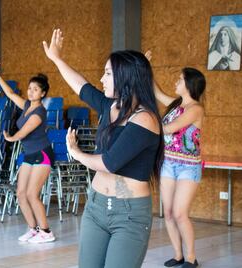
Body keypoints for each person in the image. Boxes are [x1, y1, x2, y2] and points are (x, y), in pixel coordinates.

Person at [43, 29, 164, 267]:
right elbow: (82, 86)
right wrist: (57, 59)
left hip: (129, 215)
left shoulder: (145, 119)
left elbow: (110, 162)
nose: (102, 78)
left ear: (125, 77)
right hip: (96, 207)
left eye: (108, 73)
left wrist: (76, 153)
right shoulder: (110, 106)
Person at [146, 51, 206, 268]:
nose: (176, 81)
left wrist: (147, 124)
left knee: (181, 213)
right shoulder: (176, 104)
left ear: (189, 84)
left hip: (188, 168)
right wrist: (147, 66)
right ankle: (178, 255)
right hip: (168, 163)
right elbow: (155, 90)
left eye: (180, 79)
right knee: (169, 213)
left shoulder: (195, 109)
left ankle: (191, 258)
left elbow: (171, 128)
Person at [0, 60, 56, 244]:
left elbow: (25, 130)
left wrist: (11, 138)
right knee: (21, 193)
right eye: (30, 88)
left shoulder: (40, 112)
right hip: (29, 154)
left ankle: (46, 232)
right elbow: (10, 93)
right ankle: (33, 229)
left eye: (35, 89)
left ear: (42, 94)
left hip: (42, 155)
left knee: (33, 194)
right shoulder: (27, 106)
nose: (31, 91)